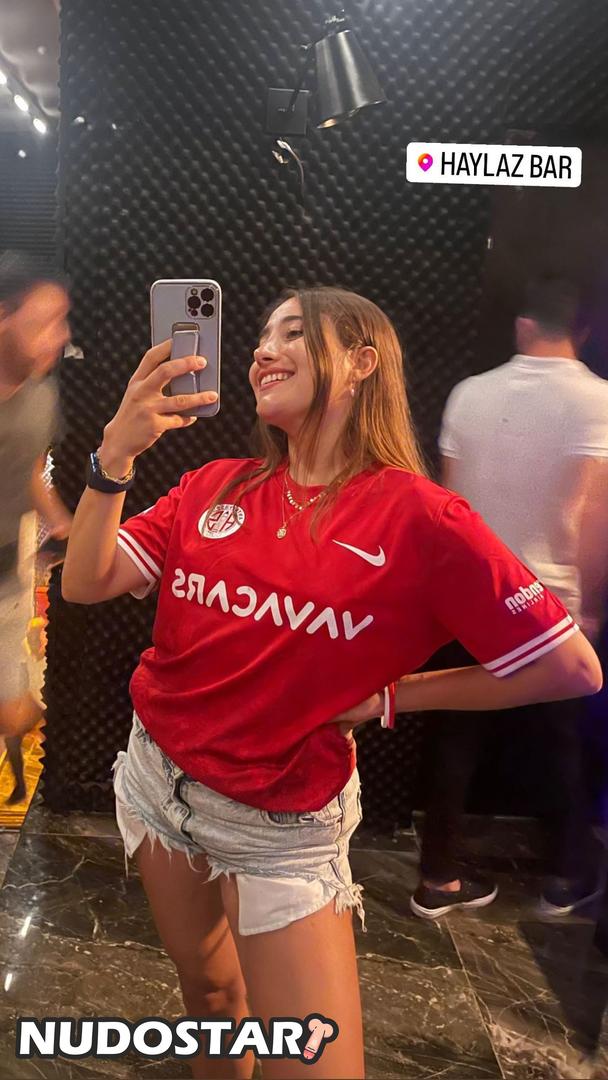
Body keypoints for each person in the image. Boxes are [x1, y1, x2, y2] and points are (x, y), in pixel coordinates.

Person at [62, 286, 602, 1079]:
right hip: (155, 782)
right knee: (210, 995)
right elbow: (84, 581)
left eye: (293, 332)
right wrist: (114, 458)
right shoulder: (215, 485)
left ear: (361, 362)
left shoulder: (423, 519)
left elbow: (568, 666)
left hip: (280, 827)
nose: (262, 350)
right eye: (261, 336)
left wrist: (393, 696)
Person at [412, 277, 608, 922]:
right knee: (561, 740)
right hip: (549, 600)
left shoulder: (470, 393)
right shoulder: (598, 401)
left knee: (455, 732)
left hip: (469, 592)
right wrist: (591, 606)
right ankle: (564, 879)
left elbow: (449, 506)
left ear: (523, 324)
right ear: (582, 331)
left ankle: (437, 878)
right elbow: (591, 518)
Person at [0, 252, 72, 801]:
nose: (61, 337)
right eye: (47, 321)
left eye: (63, 322)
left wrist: (60, 521)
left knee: (14, 710)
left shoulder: (42, 396)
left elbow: (26, 464)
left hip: (8, 565)